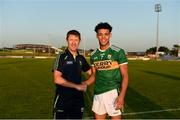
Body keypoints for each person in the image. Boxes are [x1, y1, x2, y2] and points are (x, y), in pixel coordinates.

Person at [89, 22, 129, 119]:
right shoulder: (93, 54)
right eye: (100, 34)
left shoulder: (118, 52)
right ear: (97, 36)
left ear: (110, 35)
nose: (103, 37)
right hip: (98, 93)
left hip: (113, 93)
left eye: (106, 34)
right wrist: (84, 84)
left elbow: (125, 75)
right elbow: (94, 74)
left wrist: (122, 96)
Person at [52, 30, 93, 119]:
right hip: (63, 100)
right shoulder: (61, 57)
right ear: (67, 40)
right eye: (71, 40)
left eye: (76, 40)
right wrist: (76, 86)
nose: (73, 43)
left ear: (79, 41)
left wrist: (86, 83)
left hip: (78, 100)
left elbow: (93, 74)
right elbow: (57, 79)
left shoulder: (81, 58)